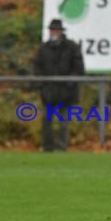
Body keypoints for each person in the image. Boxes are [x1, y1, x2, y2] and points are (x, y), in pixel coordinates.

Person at [33, 19, 85, 152]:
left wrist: (68, 85)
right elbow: (37, 68)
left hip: (65, 94)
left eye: (56, 30)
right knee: (46, 121)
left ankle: (61, 147)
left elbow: (78, 69)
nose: (53, 33)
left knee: (63, 123)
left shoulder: (72, 47)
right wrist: (42, 86)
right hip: (48, 93)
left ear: (61, 32)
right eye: (52, 30)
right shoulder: (43, 48)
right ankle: (47, 147)